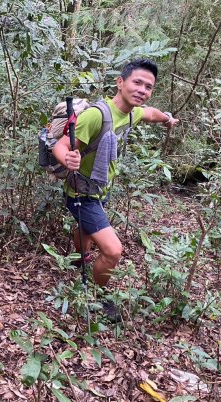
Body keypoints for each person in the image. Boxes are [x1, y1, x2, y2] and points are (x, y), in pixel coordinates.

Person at [52, 58, 179, 319]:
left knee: (85, 230)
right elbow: (61, 146)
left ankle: (80, 259)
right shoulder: (96, 115)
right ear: (120, 83)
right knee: (112, 251)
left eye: (148, 86)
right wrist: (67, 158)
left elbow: (151, 113)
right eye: (137, 82)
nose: (142, 90)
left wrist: (167, 119)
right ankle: (97, 296)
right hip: (81, 193)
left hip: (99, 189)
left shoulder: (133, 112)